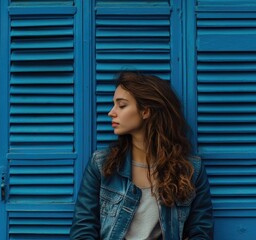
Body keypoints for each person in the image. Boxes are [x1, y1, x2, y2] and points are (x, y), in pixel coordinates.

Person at [70, 72, 213, 239]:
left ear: (145, 111)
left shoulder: (190, 170)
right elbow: (83, 229)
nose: (111, 112)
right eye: (113, 105)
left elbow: (201, 232)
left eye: (121, 106)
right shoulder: (101, 164)